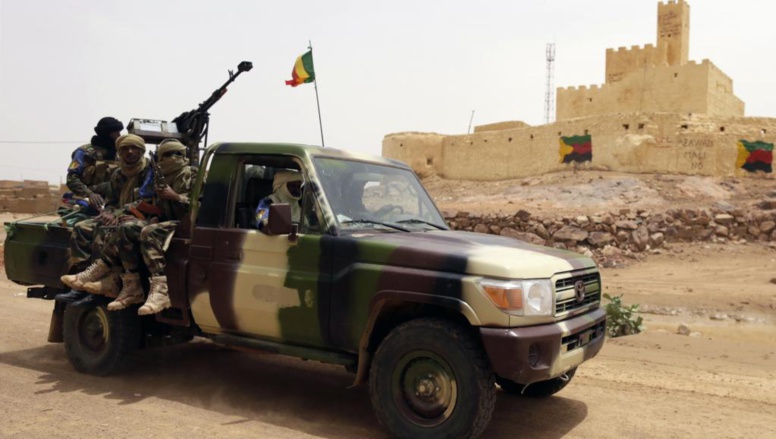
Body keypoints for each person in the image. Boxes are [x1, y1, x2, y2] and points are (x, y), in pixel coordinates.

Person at [89, 139, 196, 313]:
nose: (173, 158)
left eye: (178, 154)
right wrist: (146, 217)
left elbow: (204, 205)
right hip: (159, 220)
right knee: (124, 229)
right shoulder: (154, 176)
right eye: (167, 155)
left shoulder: (193, 175)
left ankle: (160, 289)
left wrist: (176, 196)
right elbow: (149, 204)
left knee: (148, 232)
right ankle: (127, 283)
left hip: (186, 225)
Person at [58, 134, 152, 304]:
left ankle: (108, 282)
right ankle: (81, 282)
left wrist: (117, 214)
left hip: (141, 217)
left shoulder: (149, 171)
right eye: (124, 149)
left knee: (107, 232)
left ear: (141, 150)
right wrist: (108, 212)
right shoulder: (118, 174)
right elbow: (111, 201)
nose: (129, 152)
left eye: (134, 148)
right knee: (82, 227)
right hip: (119, 214)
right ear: (119, 153)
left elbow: (147, 200)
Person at [66, 116, 124, 210]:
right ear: (106, 133)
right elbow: (71, 179)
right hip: (87, 200)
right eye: (115, 132)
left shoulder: (120, 154)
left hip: (113, 203)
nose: (119, 135)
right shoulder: (84, 152)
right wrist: (90, 194)